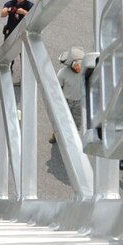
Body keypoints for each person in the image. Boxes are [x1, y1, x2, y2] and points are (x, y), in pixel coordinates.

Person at [45, 46, 86, 187]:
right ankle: (56, 135)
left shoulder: (86, 71)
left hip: (80, 102)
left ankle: (72, 142)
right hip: (66, 101)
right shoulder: (63, 73)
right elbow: (57, 88)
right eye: (76, 65)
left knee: (76, 124)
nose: (79, 67)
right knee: (61, 121)